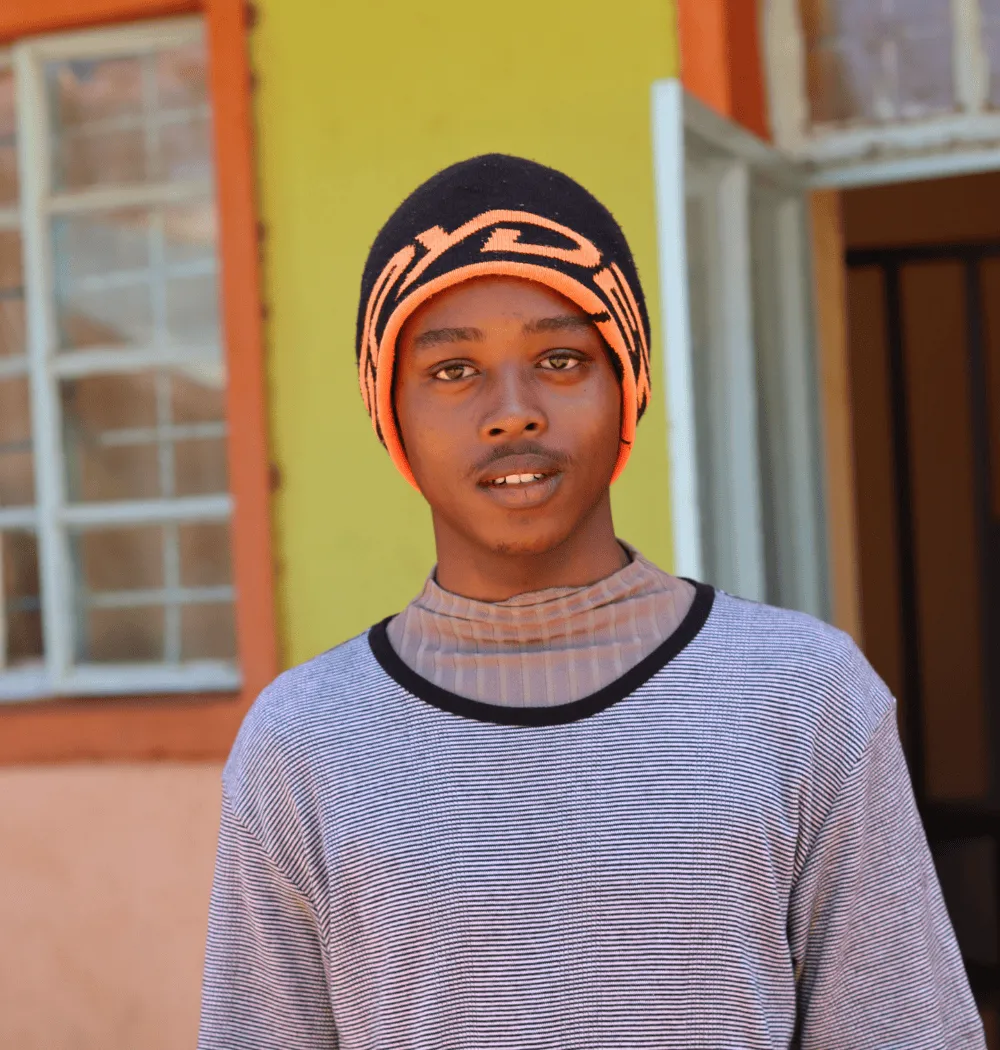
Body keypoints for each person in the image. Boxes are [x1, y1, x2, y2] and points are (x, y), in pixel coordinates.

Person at [198, 154, 984, 1049]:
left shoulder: (801, 695)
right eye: (453, 370)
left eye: (561, 358)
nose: (513, 411)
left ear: (626, 392)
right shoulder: (303, 741)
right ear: (393, 415)